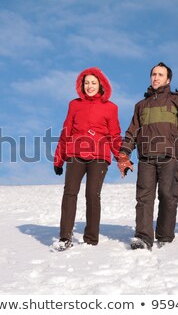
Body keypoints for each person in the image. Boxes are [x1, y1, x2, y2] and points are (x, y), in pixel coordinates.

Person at [117, 62, 178, 250]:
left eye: (160, 75)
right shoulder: (141, 105)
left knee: (168, 196)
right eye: (153, 74)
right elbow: (132, 132)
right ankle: (143, 237)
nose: (156, 77)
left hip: (170, 157)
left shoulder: (177, 101)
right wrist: (124, 154)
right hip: (146, 158)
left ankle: (165, 236)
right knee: (144, 198)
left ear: (168, 79)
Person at [53, 67, 122, 250]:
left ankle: (91, 238)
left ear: (101, 85)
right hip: (76, 153)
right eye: (86, 83)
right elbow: (66, 131)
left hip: (99, 155)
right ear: (81, 85)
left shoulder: (111, 108)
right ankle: (65, 237)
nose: (89, 86)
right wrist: (58, 159)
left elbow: (115, 136)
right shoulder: (74, 105)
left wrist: (122, 159)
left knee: (92, 194)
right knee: (70, 193)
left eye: (93, 83)